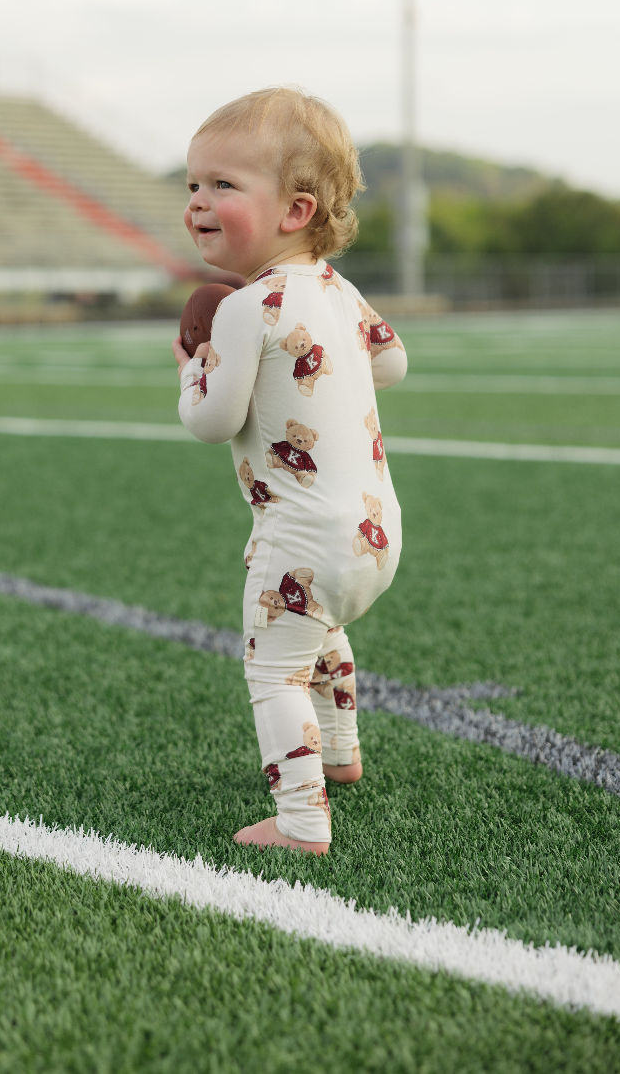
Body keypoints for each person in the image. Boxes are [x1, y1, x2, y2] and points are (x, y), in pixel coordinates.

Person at [172, 87, 407, 855]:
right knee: (321, 631)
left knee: (273, 672)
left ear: (296, 211)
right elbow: (395, 361)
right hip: (375, 533)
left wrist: (192, 370)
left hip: (301, 536)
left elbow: (212, 422)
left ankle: (303, 819)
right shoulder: (338, 288)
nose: (198, 203)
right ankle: (339, 755)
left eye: (223, 186)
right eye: (193, 185)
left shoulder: (245, 309)